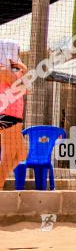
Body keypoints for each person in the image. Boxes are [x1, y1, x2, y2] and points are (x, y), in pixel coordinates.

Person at [0, 58, 28, 188]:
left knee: (21, 154)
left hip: (15, 116)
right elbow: (24, 88)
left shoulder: (11, 71)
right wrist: (25, 70)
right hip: (8, 115)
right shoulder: (3, 71)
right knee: (8, 157)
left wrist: (23, 70)